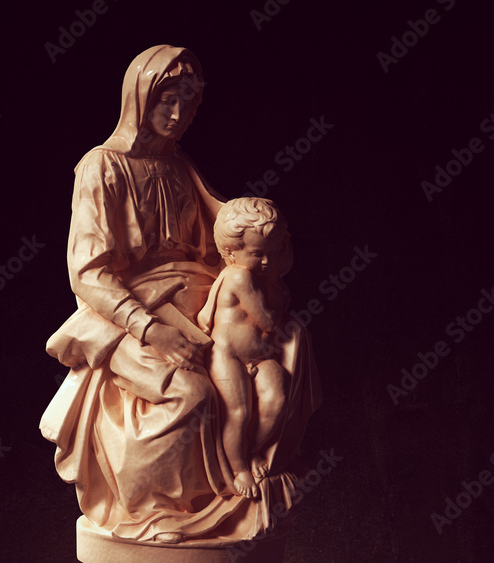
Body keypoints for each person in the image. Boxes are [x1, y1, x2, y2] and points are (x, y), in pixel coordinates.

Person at [41, 45, 322, 547]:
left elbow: (225, 238)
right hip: (125, 312)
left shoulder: (178, 165)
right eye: (167, 100)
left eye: (189, 103)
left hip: (197, 301)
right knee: (191, 393)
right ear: (138, 99)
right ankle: (156, 511)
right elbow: (88, 274)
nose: (177, 114)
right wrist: (151, 330)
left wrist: (263, 262)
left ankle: (250, 473)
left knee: (286, 351)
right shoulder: (101, 168)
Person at [199, 198, 291, 499]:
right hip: (229, 356)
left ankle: (253, 450)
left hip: (260, 357)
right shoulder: (239, 275)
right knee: (238, 413)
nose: (266, 261)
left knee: (277, 400)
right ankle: (239, 469)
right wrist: (280, 297)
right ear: (230, 253)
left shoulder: (256, 275)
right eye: (257, 254)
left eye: (272, 253)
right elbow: (267, 321)